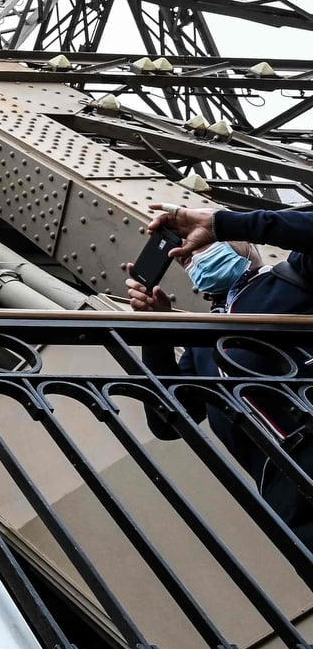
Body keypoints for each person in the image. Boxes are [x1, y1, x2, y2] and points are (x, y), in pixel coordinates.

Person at [126, 204, 313, 545]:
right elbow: (167, 422)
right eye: (183, 258)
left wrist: (220, 222)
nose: (190, 257)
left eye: (200, 245)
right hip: (284, 489)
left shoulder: (296, 276)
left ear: (246, 242)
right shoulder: (203, 342)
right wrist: (157, 332)